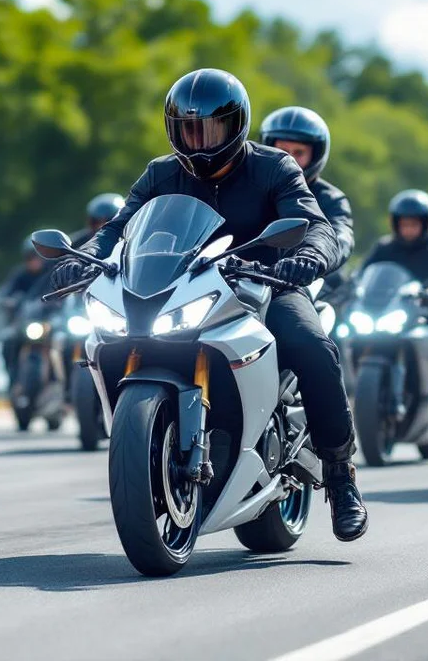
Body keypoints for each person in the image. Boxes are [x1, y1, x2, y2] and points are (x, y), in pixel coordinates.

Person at [51, 68, 368, 542]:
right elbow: (117, 229)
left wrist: (307, 256)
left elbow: (313, 221)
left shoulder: (274, 167)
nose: (199, 141)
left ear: (236, 125)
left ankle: (341, 477)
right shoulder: (161, 173)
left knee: (312, 348)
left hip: (265, 285)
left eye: (210, 128)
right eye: (188, 129)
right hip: (183, 291)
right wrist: (87, 260)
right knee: (107, 335)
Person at [358, 190, 428, 428]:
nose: (408, 229)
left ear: (426, 224)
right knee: (346, 332)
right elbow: (363, 276)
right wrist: (352, 288)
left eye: (414, 224)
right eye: (404, 224)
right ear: (395, 224)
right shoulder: (384, 248)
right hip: (391, 314)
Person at [258, 106, 353, 301]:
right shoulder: (252, 185)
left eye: (299, 152)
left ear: (315, 156)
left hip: (299, 286)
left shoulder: (331, 199)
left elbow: (340, 238)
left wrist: (311, 260)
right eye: (282, 150)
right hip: (242, 280)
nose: (289, 159)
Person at [0, 235, 56, 386]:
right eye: (30, 257)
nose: (34, 260)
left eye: (38, 256)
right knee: (8, 339)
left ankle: (63, 385)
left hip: (50, 323)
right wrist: (8, 301)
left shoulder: (54, 274)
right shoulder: (19, 275)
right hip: (26, 324)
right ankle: (13, 378)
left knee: (66, 342)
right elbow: (6, 293)